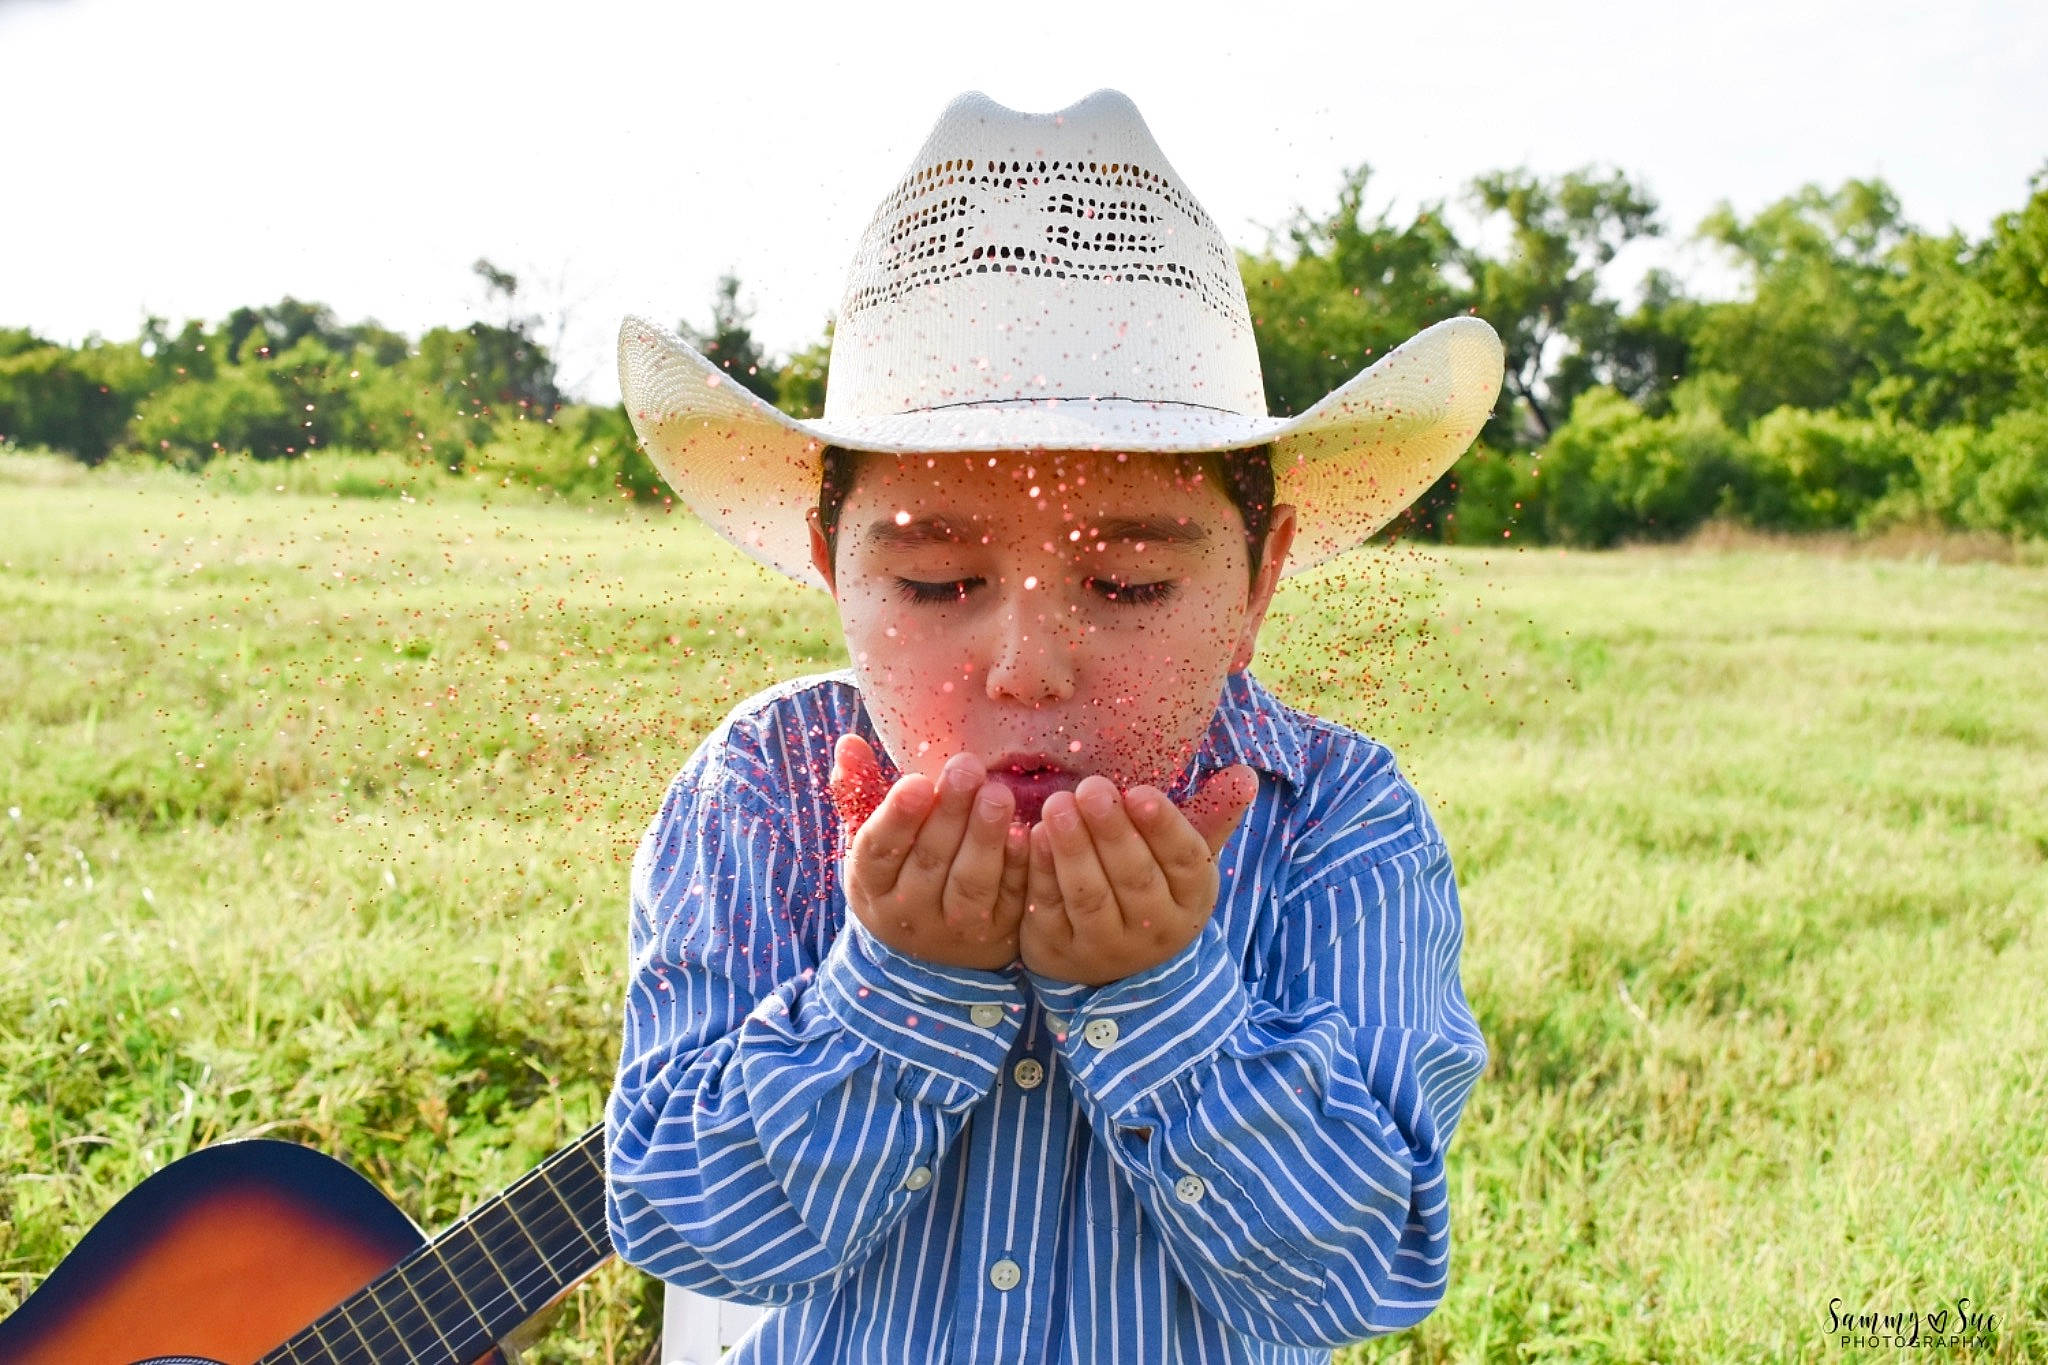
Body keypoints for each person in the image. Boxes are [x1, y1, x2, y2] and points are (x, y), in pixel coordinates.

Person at [604, 89, 1502, 1363]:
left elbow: (1359, 1276)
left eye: (1129, 586)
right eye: (933, 585)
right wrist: (896, 989)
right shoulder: (762, 790)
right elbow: (686, 1227)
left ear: (1256, 580)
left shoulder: (1334, 820)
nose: (1027, 671)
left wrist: (1162, 998)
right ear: (828, 564)